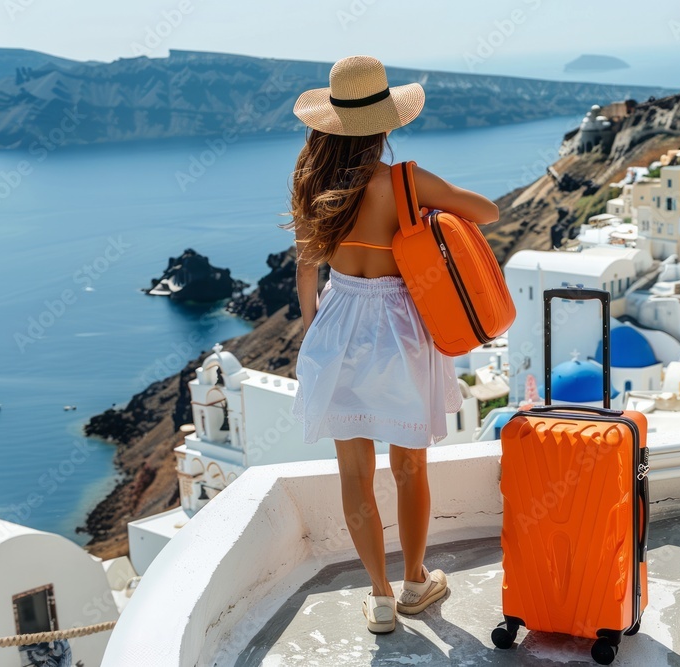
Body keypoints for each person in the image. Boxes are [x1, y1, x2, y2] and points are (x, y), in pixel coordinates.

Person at [286, 55, 500, 634]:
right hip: (401, 326)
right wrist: (425, 216)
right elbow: (486, 211)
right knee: (409, 465)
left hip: (338, 321)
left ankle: (379, 598)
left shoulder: (312, 183)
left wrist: (315, 330)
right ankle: (415, 582)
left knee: (353, 473)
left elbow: (308, 272)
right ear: (385, 123)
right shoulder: (403, 181)